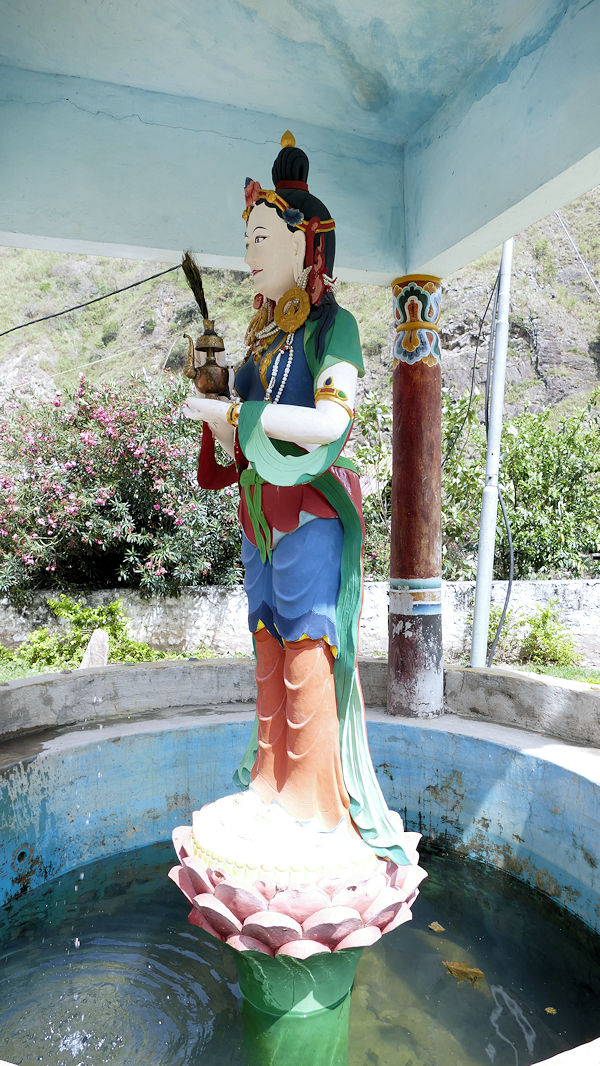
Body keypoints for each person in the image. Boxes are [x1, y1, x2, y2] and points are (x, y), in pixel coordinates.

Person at [183, 132, 408, 866]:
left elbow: (332, 424)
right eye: (246, 238)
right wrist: (216, 400)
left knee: (308, 641)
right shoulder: (261, 340)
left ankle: (311, 801)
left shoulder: (335, 328)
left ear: (305, 243)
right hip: (258, 510)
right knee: (266, 636)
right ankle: (268, 782)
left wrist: (240, 413)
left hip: (310, 508)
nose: (250, 252)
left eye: (261, 237)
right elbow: (238, 443)